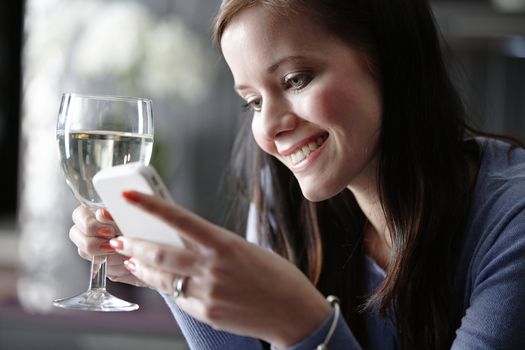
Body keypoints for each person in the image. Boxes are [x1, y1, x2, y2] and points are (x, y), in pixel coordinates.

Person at [68, 0, 525, 349]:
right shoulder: (284, 193)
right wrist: (174, 274)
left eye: (295, 80)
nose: (267, 127)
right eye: (253, 101)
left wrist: (306, 326)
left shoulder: (513, 222)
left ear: (390, 58)